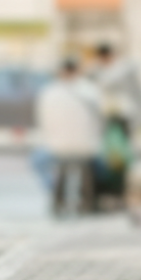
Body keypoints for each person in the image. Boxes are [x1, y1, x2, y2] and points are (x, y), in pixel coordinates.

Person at [34, 59, 104, 213]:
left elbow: (43, 123)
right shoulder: (90, 91)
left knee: (40, 162)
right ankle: (88, 201)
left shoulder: (48, 92)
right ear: (77, 71)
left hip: (57, 146)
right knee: (96, 166)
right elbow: (100, 121)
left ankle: (57, 200)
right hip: (87, 146)